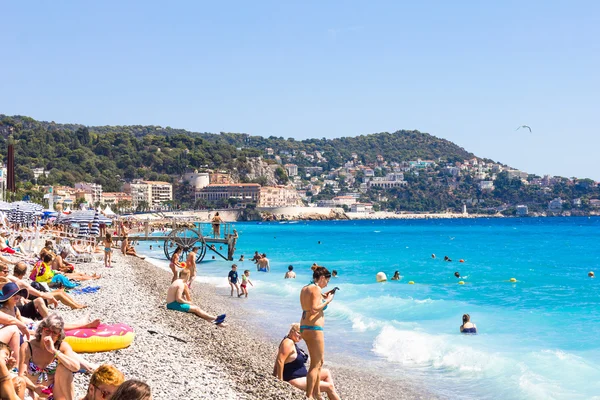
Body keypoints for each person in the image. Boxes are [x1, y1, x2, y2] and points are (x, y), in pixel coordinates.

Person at [19, 313, 81, 400]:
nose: (50, 336)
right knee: (19, 384)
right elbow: (21, 375)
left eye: (54, 333)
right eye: (47, 331)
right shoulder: (28, 347)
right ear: (41, 330)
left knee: (64, 368)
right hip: (33, 391)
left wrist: (54, 351)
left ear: (59, 335)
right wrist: (34, 388)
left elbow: (76, 367)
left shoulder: (62, 346)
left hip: (55, 393)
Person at [273, 323, 340, 400]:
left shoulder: (292, 342)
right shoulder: (288, 343)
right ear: (292, 331)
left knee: (326, 372)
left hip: (303, 377)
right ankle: (326, 394)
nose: (301, 336)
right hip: (295, 379)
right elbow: (280, 360)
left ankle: (327, 394)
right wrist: (280, 381)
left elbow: (279, 359)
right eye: (299, 333)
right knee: (329, 386)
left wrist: (274, 374)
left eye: (302, 335)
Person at [299, 267, 335, 400]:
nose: (327, 284)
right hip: (314, 328)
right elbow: (314, 309)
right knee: (316, 363)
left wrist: (322, 297)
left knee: (319, 362)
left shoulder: (305, 288)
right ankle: (309, 396)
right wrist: (328, 301)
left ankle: (317, 393)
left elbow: (308, 306)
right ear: (322, 278)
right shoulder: (315, 288)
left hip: (304, 326)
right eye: (327, 281)